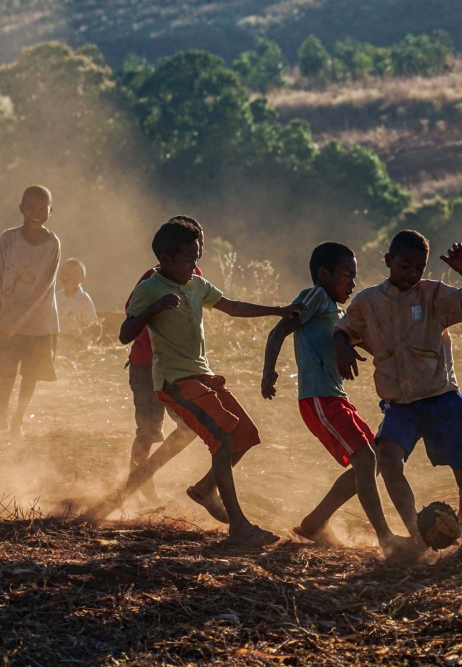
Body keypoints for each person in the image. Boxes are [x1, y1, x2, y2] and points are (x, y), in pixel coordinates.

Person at [121, 217, 304, 545]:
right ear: (165, 258)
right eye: (189, 259)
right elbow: (125, 333)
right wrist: (153, 309)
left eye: (197, 258)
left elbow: (231, 306)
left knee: (244, 435)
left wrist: (278, 310)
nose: (195, 266)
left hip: (202, 375)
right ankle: (239, 525)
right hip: (174, 381)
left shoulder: (196, 284)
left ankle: (205, 489)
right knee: (218, 438)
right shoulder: (150, 288)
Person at [334, 230, 462, 552]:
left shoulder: (433, 295)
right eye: (405, 266)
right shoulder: (368, 301)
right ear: (388, 260)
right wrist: (342, 346)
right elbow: (343, 329)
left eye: (419, 268)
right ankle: (417, 535)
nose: (412, 273)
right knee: (388, 460)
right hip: (400, 404)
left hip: (441, 398)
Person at [261, 242, 411, 559]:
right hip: (319, 398)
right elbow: (278, 332)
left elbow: (365, 342)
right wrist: (268, 372)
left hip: (335, 398)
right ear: (323, 274)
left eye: (354, 276)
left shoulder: (337, 312)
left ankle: (315, 523)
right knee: (366, 460)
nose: (352, 283)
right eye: (347, 275)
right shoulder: (315, 296)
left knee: (375, 458)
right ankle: (386, 538)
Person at [121, 221, 207, 507]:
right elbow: (131, 314)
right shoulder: (154, 278)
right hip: (146, 365)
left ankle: (144, 474)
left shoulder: (194, 277)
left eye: (199, 249)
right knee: (147, 431)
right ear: (168, 256)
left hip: (177, 368)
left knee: (190, 425)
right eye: (191, 252)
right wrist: (155, 310)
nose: (196, 259)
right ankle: (138, 484)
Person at [0, 186, 61, 435]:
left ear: (51, 211)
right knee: (7, 368)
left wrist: (17, 319)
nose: (36, 213)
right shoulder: (9, 239)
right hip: (8, 318)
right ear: (21, 209)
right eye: (30, 207)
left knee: (31, 372)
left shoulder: (52, 244)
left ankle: (18, 418)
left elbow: (44, 288)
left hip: (39, 322)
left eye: (42, 208)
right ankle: (1, 413)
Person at [56, 258, 101, 342]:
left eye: (75, 274)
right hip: (58, 343)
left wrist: (93, 331)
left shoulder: (84, 300)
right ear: (60, 276)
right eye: (66, 274)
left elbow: (92, 327)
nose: (70, 277)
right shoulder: (57, 297)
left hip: (77, 344)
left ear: (82, 279)